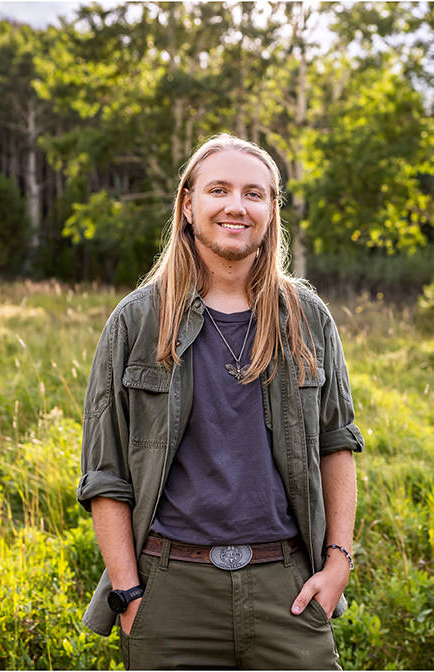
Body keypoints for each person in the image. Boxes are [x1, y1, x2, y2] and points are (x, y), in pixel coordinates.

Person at [76, 133, 364, 669]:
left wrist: (338, 562)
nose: (237, 205)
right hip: (170, 591)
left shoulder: (307, 318)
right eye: (219, 190)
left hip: (288, 587)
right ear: (188, 206)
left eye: (254, 194)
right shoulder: (136, 322)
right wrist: (130, 595)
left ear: (272, 211)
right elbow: (105, 473)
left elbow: (336, 444)